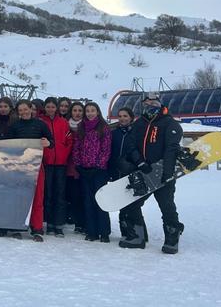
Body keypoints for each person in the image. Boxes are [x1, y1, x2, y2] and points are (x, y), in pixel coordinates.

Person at [119, 93, 185, 254]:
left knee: (166, 206)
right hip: (143, 172)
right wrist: (140, 162)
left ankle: (172, 237)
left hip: (163, 173)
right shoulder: (139, 123)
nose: (150, 105)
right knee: (133, 204)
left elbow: (171, 149)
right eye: (147, 103)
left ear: (159, 104)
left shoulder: (170, 124)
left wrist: (168, 173)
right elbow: (131, 145)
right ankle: (138, 236)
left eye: (153, 102)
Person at [5, 99, 54, 242]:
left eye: (25, 109)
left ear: (31, 109)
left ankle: (37, 227)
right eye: (20, 111)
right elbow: (8, 145)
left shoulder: (40, 124)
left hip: (37, 166)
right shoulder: (14, 126)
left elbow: (51, 141)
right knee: (18, 197)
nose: (23, 112)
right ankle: (17, 226)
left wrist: (48, 142)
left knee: (37, 198)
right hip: (19, 167)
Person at [72, 102, 112, 242]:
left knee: (100, 201)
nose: (90, 113)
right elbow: (76, 147)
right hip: (85, 169)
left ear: (98, 112)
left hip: (99, 171)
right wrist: (78, 165)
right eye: (87, 111)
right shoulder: (81, 127)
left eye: (92, 110)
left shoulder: (104, 128)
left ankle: (104, 232)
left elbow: (106, 149)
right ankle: (91, 231)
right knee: (88, 201)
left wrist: (99, 165)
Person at [38, 97, 72, 237]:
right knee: (48, 194)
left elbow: (69, 141)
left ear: (56, 108)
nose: (50, 109)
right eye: (48, 107)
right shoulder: (41, 122)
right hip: (47, 163)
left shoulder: (63, 122)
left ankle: (58, 224)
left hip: (60, 164)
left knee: (60, 194)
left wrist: (63, 153)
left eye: (53, 107)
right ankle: (49, 223)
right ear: (45, 108)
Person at [109, 107, 144, 243]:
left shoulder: (136, 132)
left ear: (131, 117)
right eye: (120, 116)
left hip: (131, 172)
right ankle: (126, 233)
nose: (122, 118)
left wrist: (134, 165)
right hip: (117, 172)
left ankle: (137, 234)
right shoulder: (115, 133)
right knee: (122, 204)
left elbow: (138, 151)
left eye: (125, 116)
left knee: (133, 205)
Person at [65, 101, 86, 234]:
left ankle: (82, 222)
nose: (77, 113)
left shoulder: (87, 127)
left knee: (83, 196)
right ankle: (76, 221)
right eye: (75, 110)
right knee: (72, 196)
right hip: (68, 165)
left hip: (83, 166)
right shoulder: (66, 126)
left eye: (80, 110)